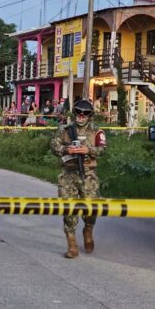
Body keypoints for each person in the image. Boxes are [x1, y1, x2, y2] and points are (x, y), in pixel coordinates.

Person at [50, 99, 106, 258]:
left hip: (88, 174)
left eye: (85, 113)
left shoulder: (97, 131)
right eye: (78, 113)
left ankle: (88, 229)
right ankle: (72, 244)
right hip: (68, 174)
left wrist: (88, 149)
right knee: (69, 210)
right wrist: (66, 149)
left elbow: (103, 149)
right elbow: (54, 145)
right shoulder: (65, 130)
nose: (81, 116)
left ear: (90, 115)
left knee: (91, 209)